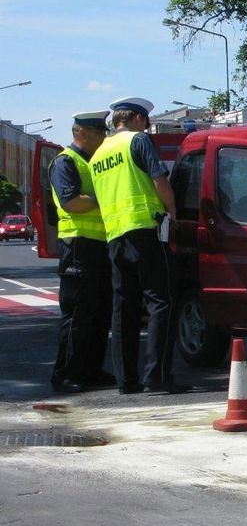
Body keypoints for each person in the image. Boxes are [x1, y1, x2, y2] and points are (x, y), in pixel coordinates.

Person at [88, 97, 183, 395]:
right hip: (145, 232)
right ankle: (157, 377)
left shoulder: (98, 154)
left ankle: (126, 381)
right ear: (139, 119)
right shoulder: (138, 142)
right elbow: (159, 181)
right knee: (160, 302)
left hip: (115, 237)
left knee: (123, 309)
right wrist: (173, 212)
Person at [48, 110, 114, 393]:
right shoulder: (66, 161)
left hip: (99, 244)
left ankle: (90, 370)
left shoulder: (95, 162)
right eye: (100, 133)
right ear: (81, 133)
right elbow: (71, 202)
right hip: (77, 245)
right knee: (77, 313)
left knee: (99, 311)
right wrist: (105, 199)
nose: (104, 138)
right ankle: (67, 373)